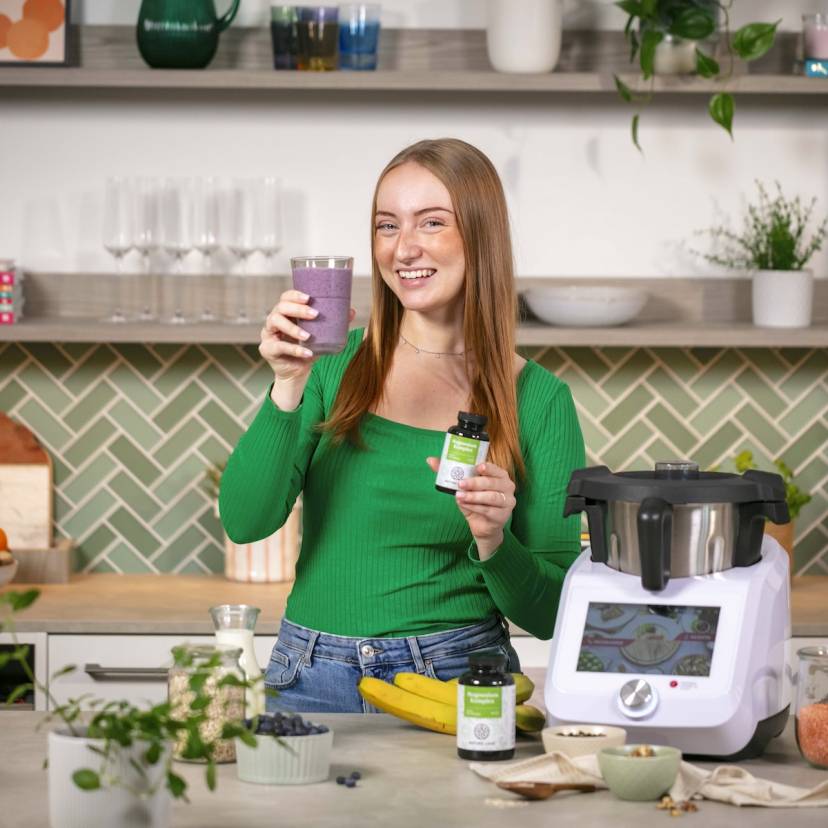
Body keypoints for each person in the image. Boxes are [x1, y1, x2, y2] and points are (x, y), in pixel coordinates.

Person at [219, 138, 585, 713]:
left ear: (481, 235)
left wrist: (494, 540)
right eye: (387, 226)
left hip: (456, 680)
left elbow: (551, 615)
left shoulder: (537, 400)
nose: (404, 248)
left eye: (432, 222)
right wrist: (286, 384)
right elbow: (244, 521)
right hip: (309, 675)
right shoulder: (329, 365)